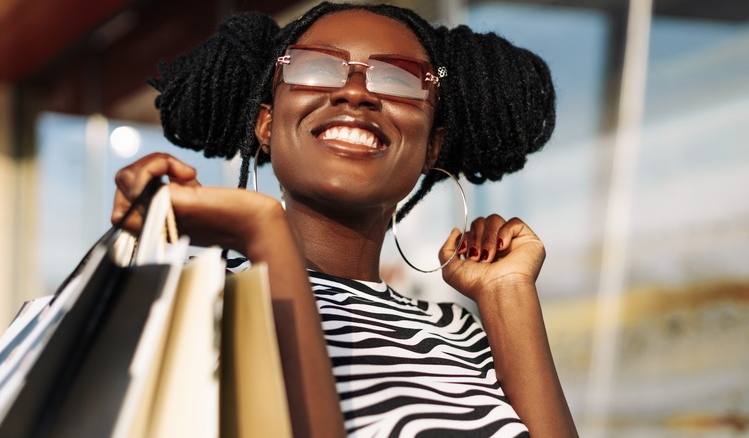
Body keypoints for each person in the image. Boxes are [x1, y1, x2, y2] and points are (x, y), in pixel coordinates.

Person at [112, 2, 578, 437]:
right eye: (315, 67)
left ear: (431, 149)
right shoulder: (184, 292)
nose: (355, 92)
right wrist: (264, 236)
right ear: (266, 126)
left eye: (398, 78)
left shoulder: (456, 332)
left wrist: (507, 296)